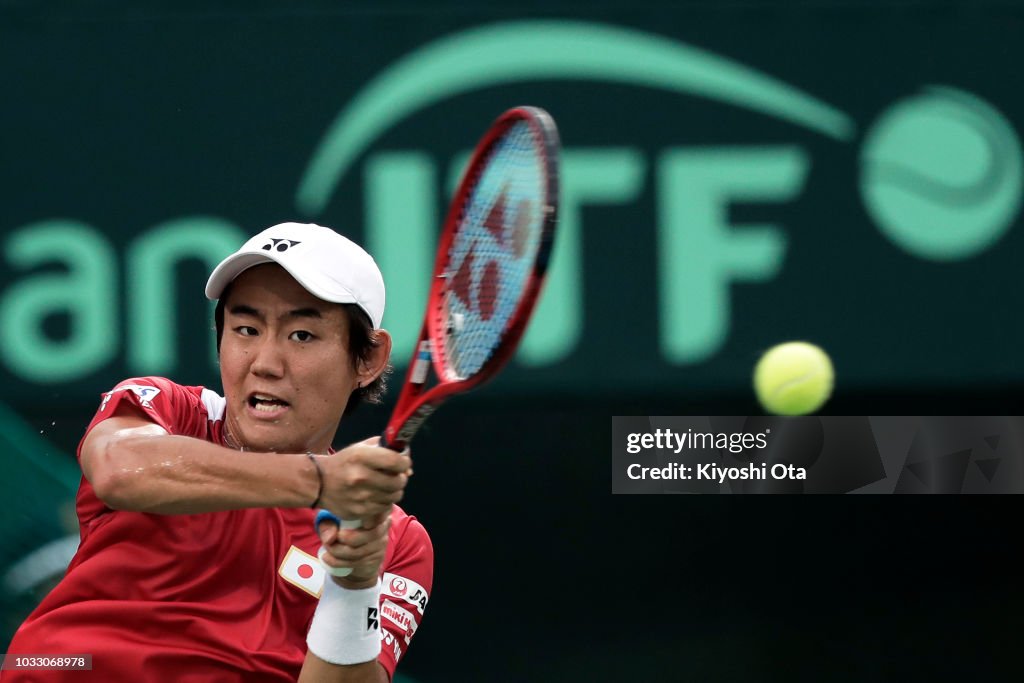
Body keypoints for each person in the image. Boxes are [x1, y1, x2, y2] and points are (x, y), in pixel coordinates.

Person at [3, 223, 433, 682]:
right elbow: (118, 469)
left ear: (368, 359)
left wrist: (353, 583)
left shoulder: (398, 544)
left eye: (302, 335)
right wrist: (320, 481)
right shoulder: (167, 410)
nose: (265, 363)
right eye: (245, 329)